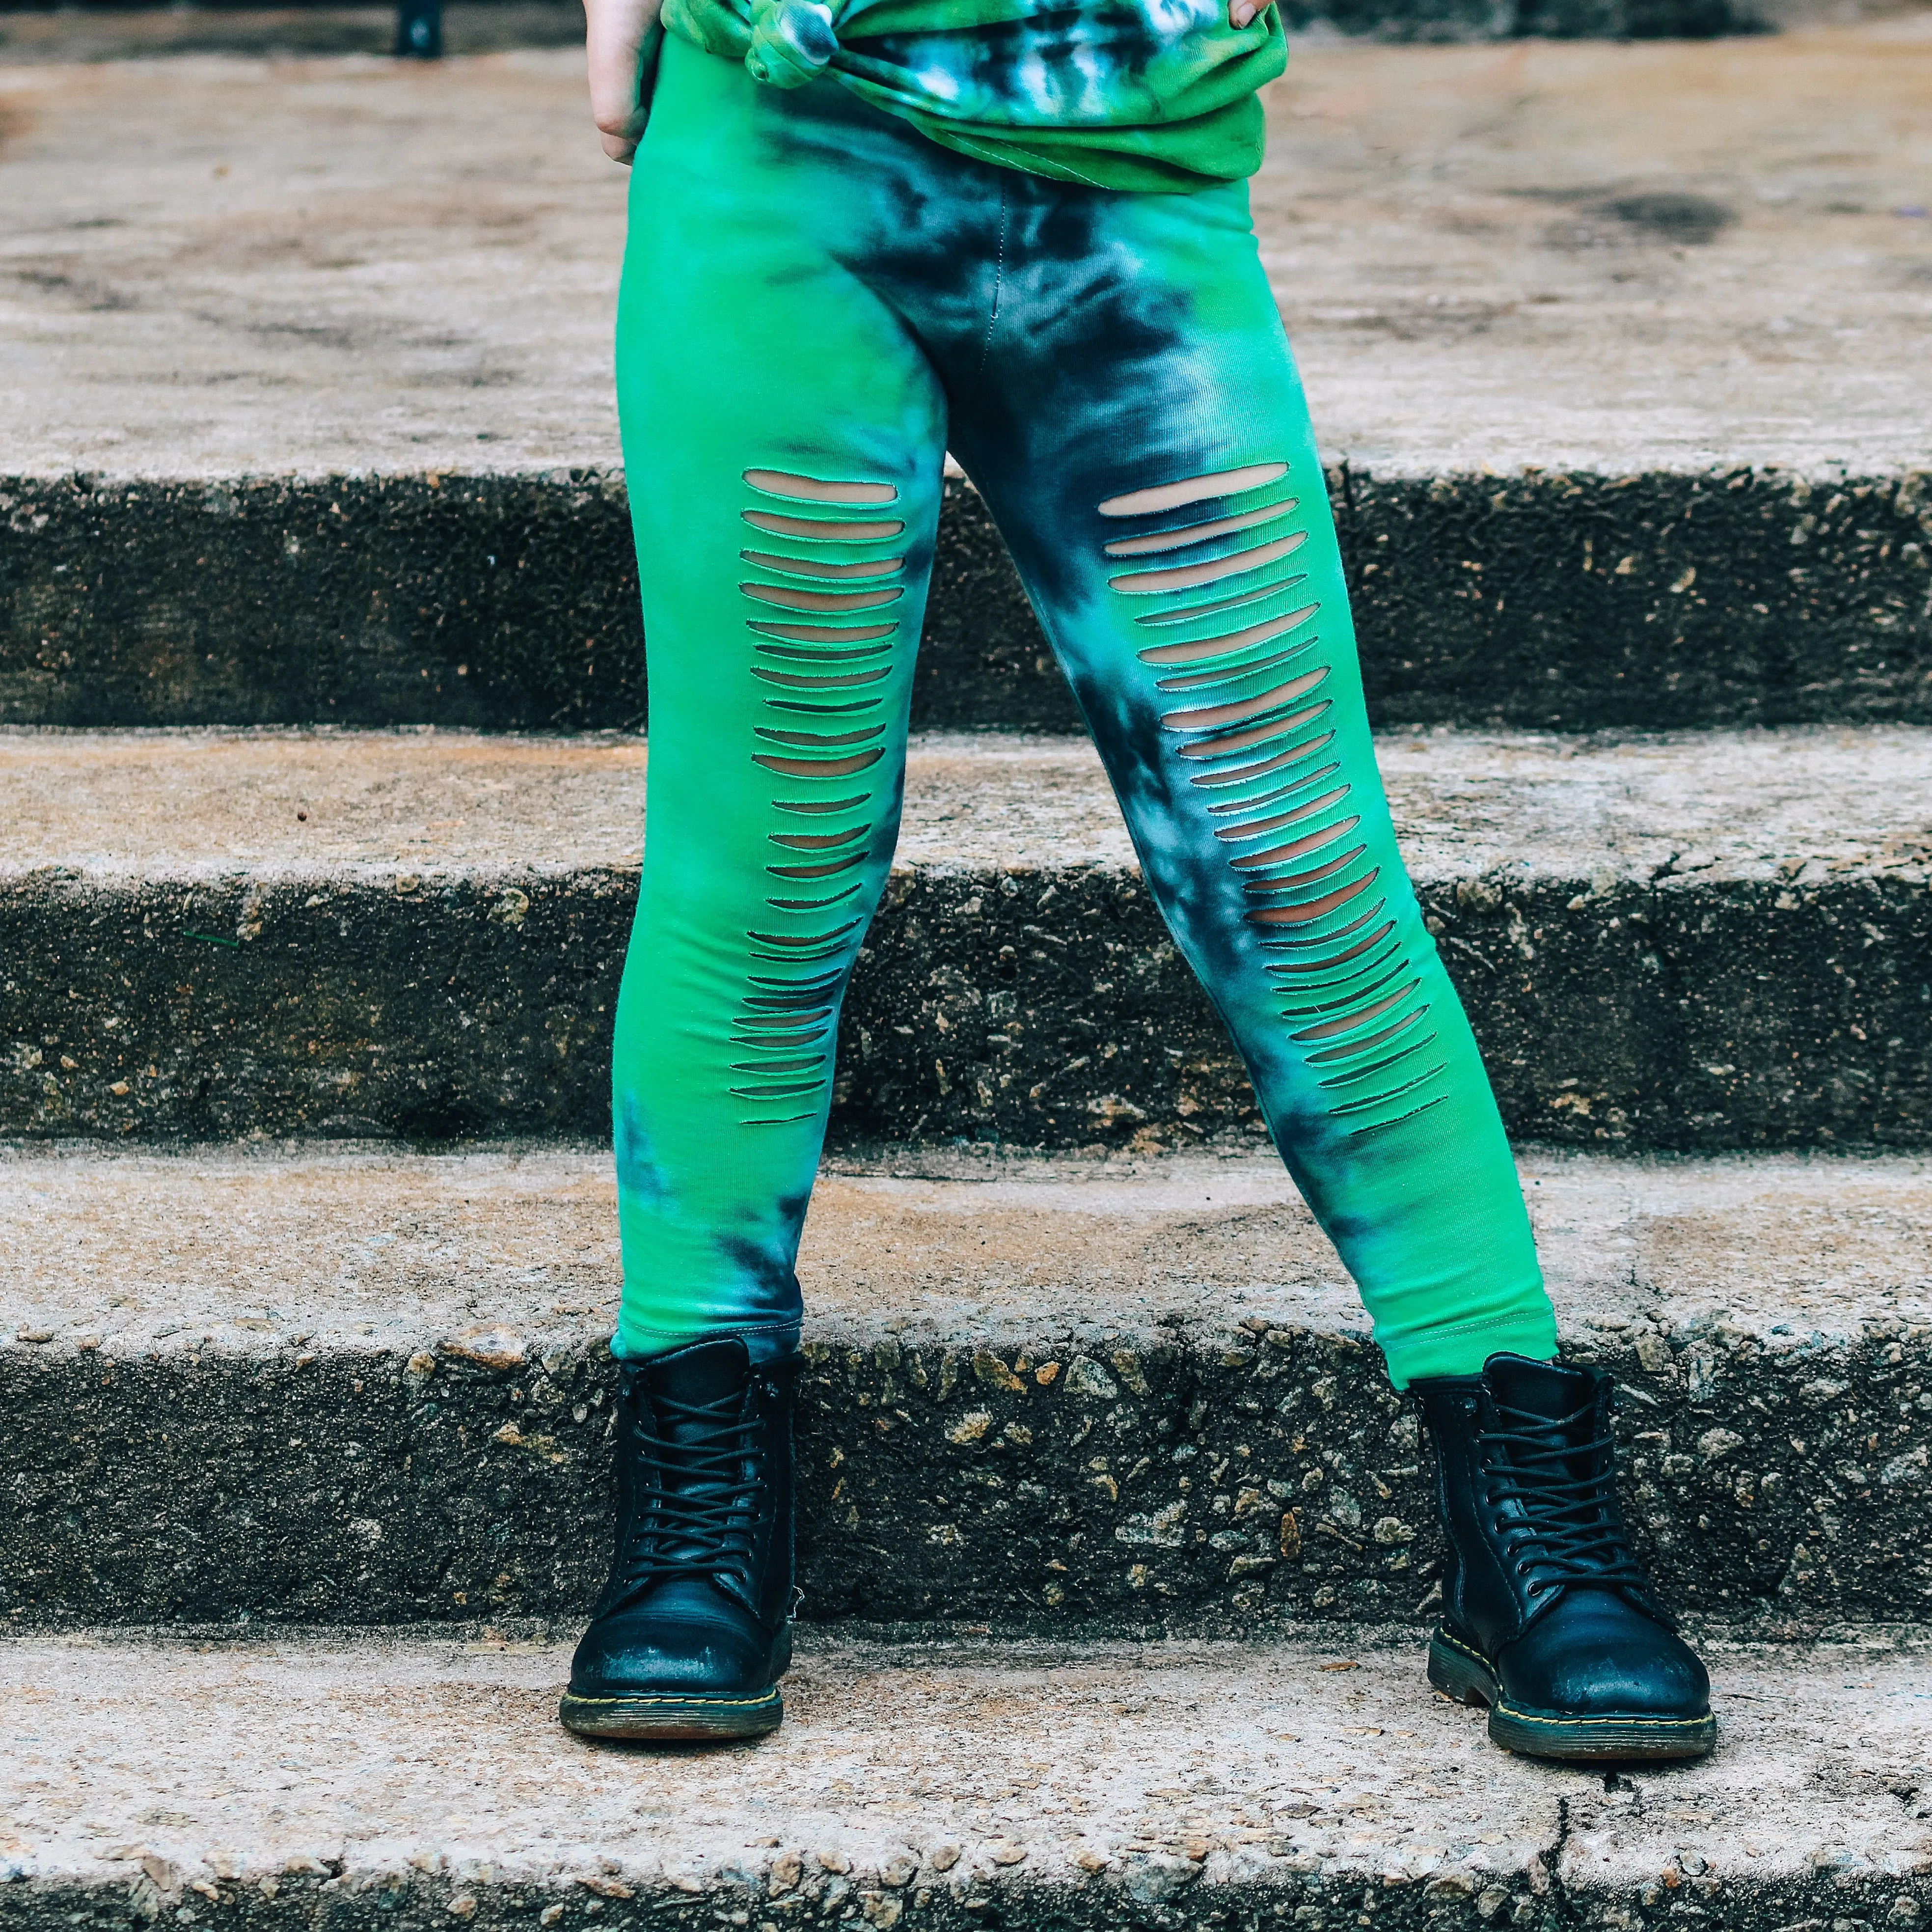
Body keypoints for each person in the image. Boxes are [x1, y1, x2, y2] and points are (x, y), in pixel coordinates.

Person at [557, 0, 1715, 1763]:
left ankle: (1524, 1523)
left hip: (1135, 177)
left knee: (1292, 874)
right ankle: (701, 1495)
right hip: (773, 165)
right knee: (766, 869)